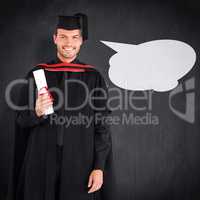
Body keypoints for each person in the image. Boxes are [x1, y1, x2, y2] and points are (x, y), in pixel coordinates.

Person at [7, 13, 115, 200]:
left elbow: (102, 125)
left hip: (80, 161)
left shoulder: (93, 77)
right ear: (55, 38)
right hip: (41, 160)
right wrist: (37, 112)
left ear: (81, 41)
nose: (69, 43)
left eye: (75, 37)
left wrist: (99, 166)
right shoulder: (37, 74)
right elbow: (20, 121)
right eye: (63, 36)